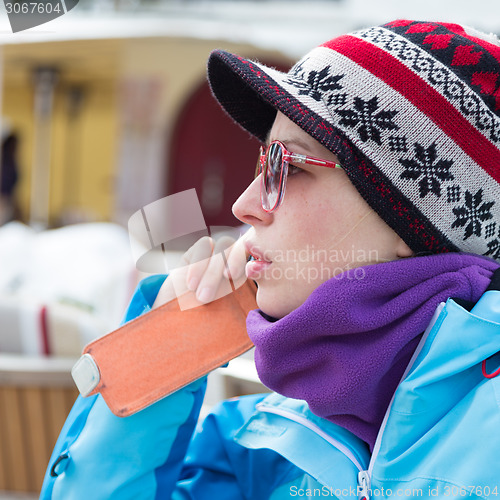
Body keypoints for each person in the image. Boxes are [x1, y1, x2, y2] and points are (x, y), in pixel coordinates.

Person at [41, 19, 500, 499]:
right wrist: (160, 353)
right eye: (262, 164)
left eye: (291, 167)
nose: (244, 204)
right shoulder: (254, 447)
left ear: (411, 217)